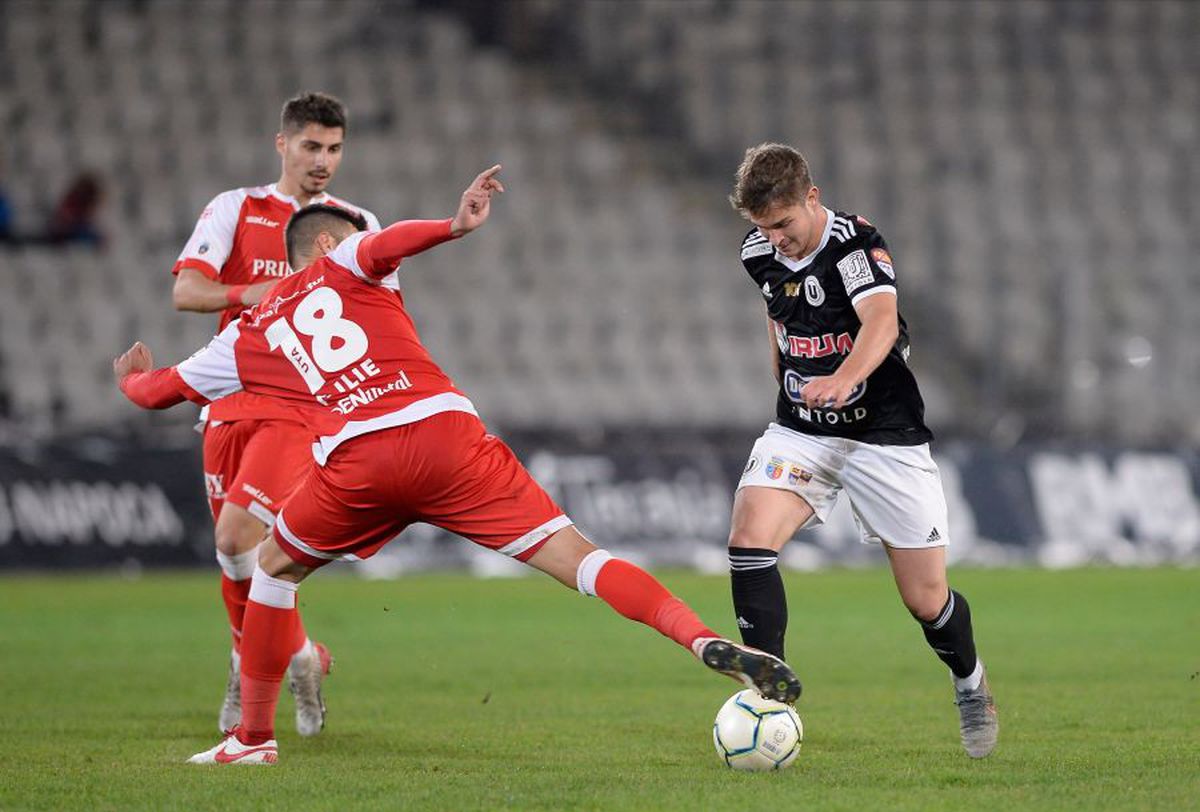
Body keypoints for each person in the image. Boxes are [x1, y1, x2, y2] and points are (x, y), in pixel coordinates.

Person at [114, 166, 802, 765]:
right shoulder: (347, 262)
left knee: (269, 570)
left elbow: (159, 391)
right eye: (348, 233)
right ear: (325, 244)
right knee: (582, 560)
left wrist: (130, 380)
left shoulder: (248, 336)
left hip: (358, 461)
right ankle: (701, 639)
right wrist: (453, 224)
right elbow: (387, 243)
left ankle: (251, 739)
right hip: (447, 436)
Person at [725, 143, 998, 758]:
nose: (776, 240)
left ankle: (971, 683)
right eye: (763, 229)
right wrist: (787, 373)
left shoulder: (855, 243)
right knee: (748, 539)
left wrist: (847, 375)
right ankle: (769, 688)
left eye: (784, 225)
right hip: (804, 429)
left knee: (925, 599)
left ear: (812, 198)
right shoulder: (757, 253)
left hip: (884, 433)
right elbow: (780, 317)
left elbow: (880, 319)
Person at [170, 91, 381, 737]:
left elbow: (373, 315)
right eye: (312, 146)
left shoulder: (355, 221)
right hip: (228, 401)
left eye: (335, 148)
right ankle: (298, 656)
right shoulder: (238, 208)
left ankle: (247, 672)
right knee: (235, 555)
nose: (323, 160)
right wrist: (255, 291)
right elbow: (186, 291)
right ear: (282, 144)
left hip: (299, 407)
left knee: (243, 540)